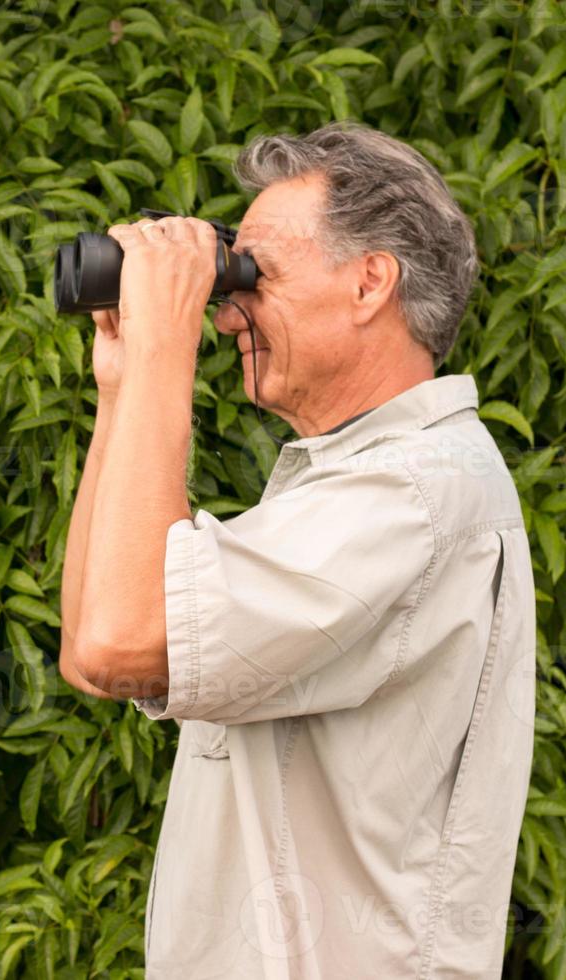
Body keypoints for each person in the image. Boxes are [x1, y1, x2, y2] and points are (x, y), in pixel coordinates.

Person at [58, 122, 535, 979]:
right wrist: (125, 388)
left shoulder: (413, 495)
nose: (228, 304)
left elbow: (121, 639)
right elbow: (92, 653)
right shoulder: (356, 487)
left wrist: (168, 353)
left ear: (369, 283)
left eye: (253, 274)